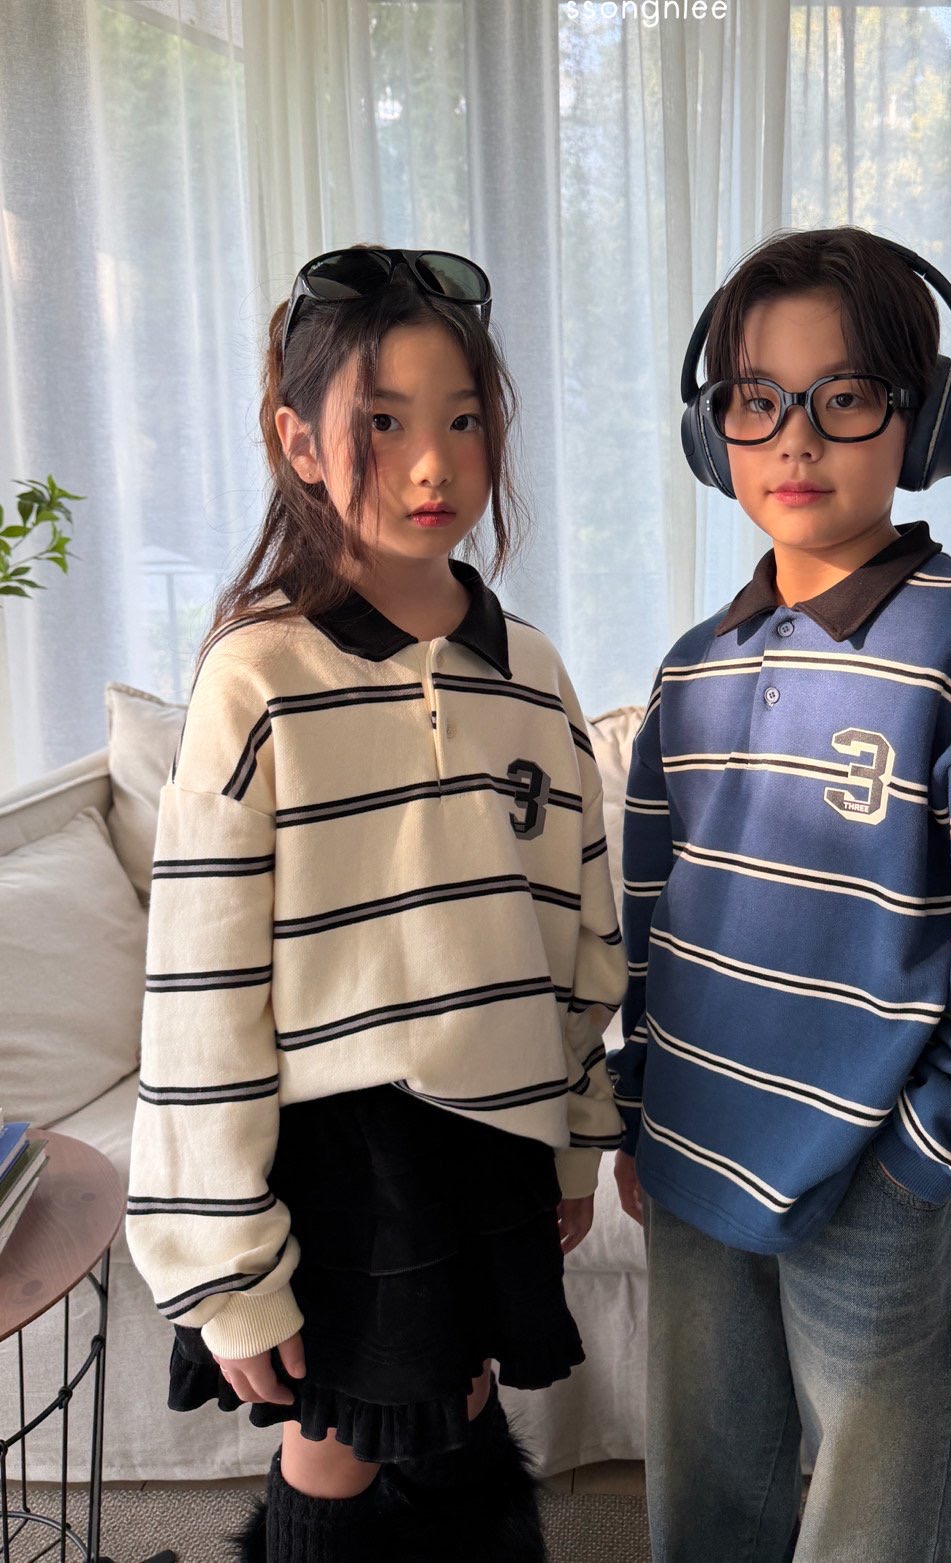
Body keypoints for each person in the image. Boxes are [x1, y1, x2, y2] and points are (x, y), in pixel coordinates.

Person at [609, 227, 951, 1563]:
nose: (795, 440)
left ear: (926, 420)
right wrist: (636, 1111)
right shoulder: (691, 670)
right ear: (711, 430)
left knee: (891, 1527)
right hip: (692, 1154)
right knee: (707, 1509)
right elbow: (652, 922)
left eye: (843, 398)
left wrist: (928, 1156)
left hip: (878, 1177)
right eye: (755, 400)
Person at [126, 245, 626, 1562]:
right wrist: (221, 1257)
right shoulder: (256, 678)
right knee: (340, 1433)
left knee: (459, 1404)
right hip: (343, 1151)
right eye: (385, 424)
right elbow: (198, 990)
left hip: (495, 1131)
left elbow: (580, 930)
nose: (432, 466)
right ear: (298, 441)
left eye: (464, 421)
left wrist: (576, 1133)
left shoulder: (533, 674)